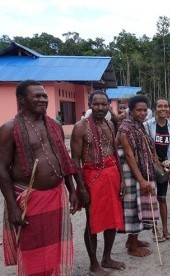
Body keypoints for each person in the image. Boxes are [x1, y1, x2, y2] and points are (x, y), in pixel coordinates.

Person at [1, 80, 83, 275]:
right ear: (21, 99)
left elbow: (64, 161)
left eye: (44, 96)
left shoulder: (54, 125)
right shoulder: (9, 128)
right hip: (29, 198)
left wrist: (72, 191)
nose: (43, 99)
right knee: (32, 246)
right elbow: (2, 168)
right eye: (36, 96)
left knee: (56, 244)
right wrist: (12, 206)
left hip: (56, 195)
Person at [70, 91, 126, 275]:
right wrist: (82, 188)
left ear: (109, 105)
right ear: (89, 105)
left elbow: (115, 154)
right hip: (92, 179)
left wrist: (123, 180)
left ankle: (107, 258)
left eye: (104, 104)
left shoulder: (110, 124)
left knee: (112, 220)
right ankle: (94, 264)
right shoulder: (80, 127)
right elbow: (75, 161)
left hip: (112, 177)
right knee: (92, 222)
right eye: (96, 104)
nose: (100, 108)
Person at [117, 95, 158, 257]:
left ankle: (132, 240)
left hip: (139, 170)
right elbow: (129, 155)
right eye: (138, 110)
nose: (142, 113)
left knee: (140, 205)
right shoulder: (126, 128)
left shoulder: (138, 125)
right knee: (134, 206)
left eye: (144, 110)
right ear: (131, 111)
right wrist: (140, 179)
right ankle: (132, 247)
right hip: (131, 172)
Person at [144, 97, 170, 242]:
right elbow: (145, 147)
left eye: (166, 106)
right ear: (155, 108)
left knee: (162, 198)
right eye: (160, 106)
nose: (163, 109)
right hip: (149, 166)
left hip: (164, 167)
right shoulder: (147, 125)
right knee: (152, 198)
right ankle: (155, 229)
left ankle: (165, 229)